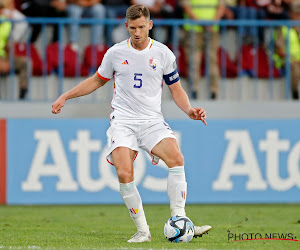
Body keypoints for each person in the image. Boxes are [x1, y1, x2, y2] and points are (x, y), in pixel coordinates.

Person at [52, 4, 212, 242]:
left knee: (177, 159)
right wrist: (66, 95)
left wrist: (189, 110)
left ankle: (180, 219)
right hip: (123, 121)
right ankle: (143, 231)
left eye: (142, 27)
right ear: (126, 26)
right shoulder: (116, 53)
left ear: (150, 25)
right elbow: (97, 81)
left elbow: (175, 89)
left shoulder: (163, 53)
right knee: (125, 173)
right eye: (133, 28)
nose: (137, 33)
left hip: (152, 121)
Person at [182, 0, 226, 100]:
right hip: (194, 30)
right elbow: (186, 7)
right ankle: (194, 90)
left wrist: (212, 23)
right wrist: (204, 23)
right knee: (194, 60)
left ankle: (213, 91)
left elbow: (221, 7)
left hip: (210, 30)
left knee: (212, 60)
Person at [0, 0, 29, 99]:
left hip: (3, 57)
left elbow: (8, 43)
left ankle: (23, 95)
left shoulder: (6, 23)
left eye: (2, 9)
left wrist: (8, 60)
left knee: (25, 62)